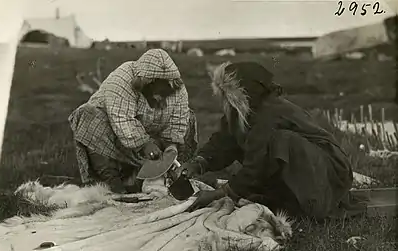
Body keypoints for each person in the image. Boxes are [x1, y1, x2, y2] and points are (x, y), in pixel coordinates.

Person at [179, 61, 368, 220]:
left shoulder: (269, 114)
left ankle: (311, 204)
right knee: (260, 144)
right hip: (308, 168)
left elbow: (256, 166)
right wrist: (198, 163)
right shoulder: (243, 113)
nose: (224, 102)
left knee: (281, 142)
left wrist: (219, 194)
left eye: (227, 96)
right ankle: (287, 198)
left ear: (241, 94)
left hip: (329, 173)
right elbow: (223, 142)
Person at [69, 49, 198, 194]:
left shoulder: (177, 88)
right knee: (87, 113)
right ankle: (111, 180)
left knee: (189, 117)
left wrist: (171, 146)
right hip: (115, 136)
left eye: (166, 92)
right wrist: (144, 144)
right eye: (160, 91)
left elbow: (178, 118)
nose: (162, 97)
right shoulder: (121, 80)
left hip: (148, 135)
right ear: (149, 81)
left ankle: (170, 176)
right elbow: (121, 118)